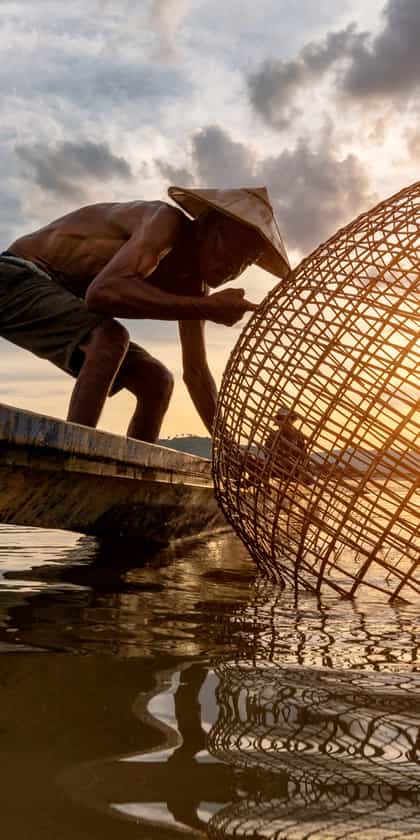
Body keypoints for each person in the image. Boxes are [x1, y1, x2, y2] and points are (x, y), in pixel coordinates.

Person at [0, 186, 290, 442]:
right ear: (205, 225)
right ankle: (68, 463)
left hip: (55, 294)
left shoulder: (194, 286)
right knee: (109, 339)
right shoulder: (164, 223)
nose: (234, 267)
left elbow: (197, 373)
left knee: (157, 381)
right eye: (232, 248)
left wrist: (226, 447)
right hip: (14, 276)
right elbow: (101, 294)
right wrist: (206, 308)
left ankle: (126, 483)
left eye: (246, 261)